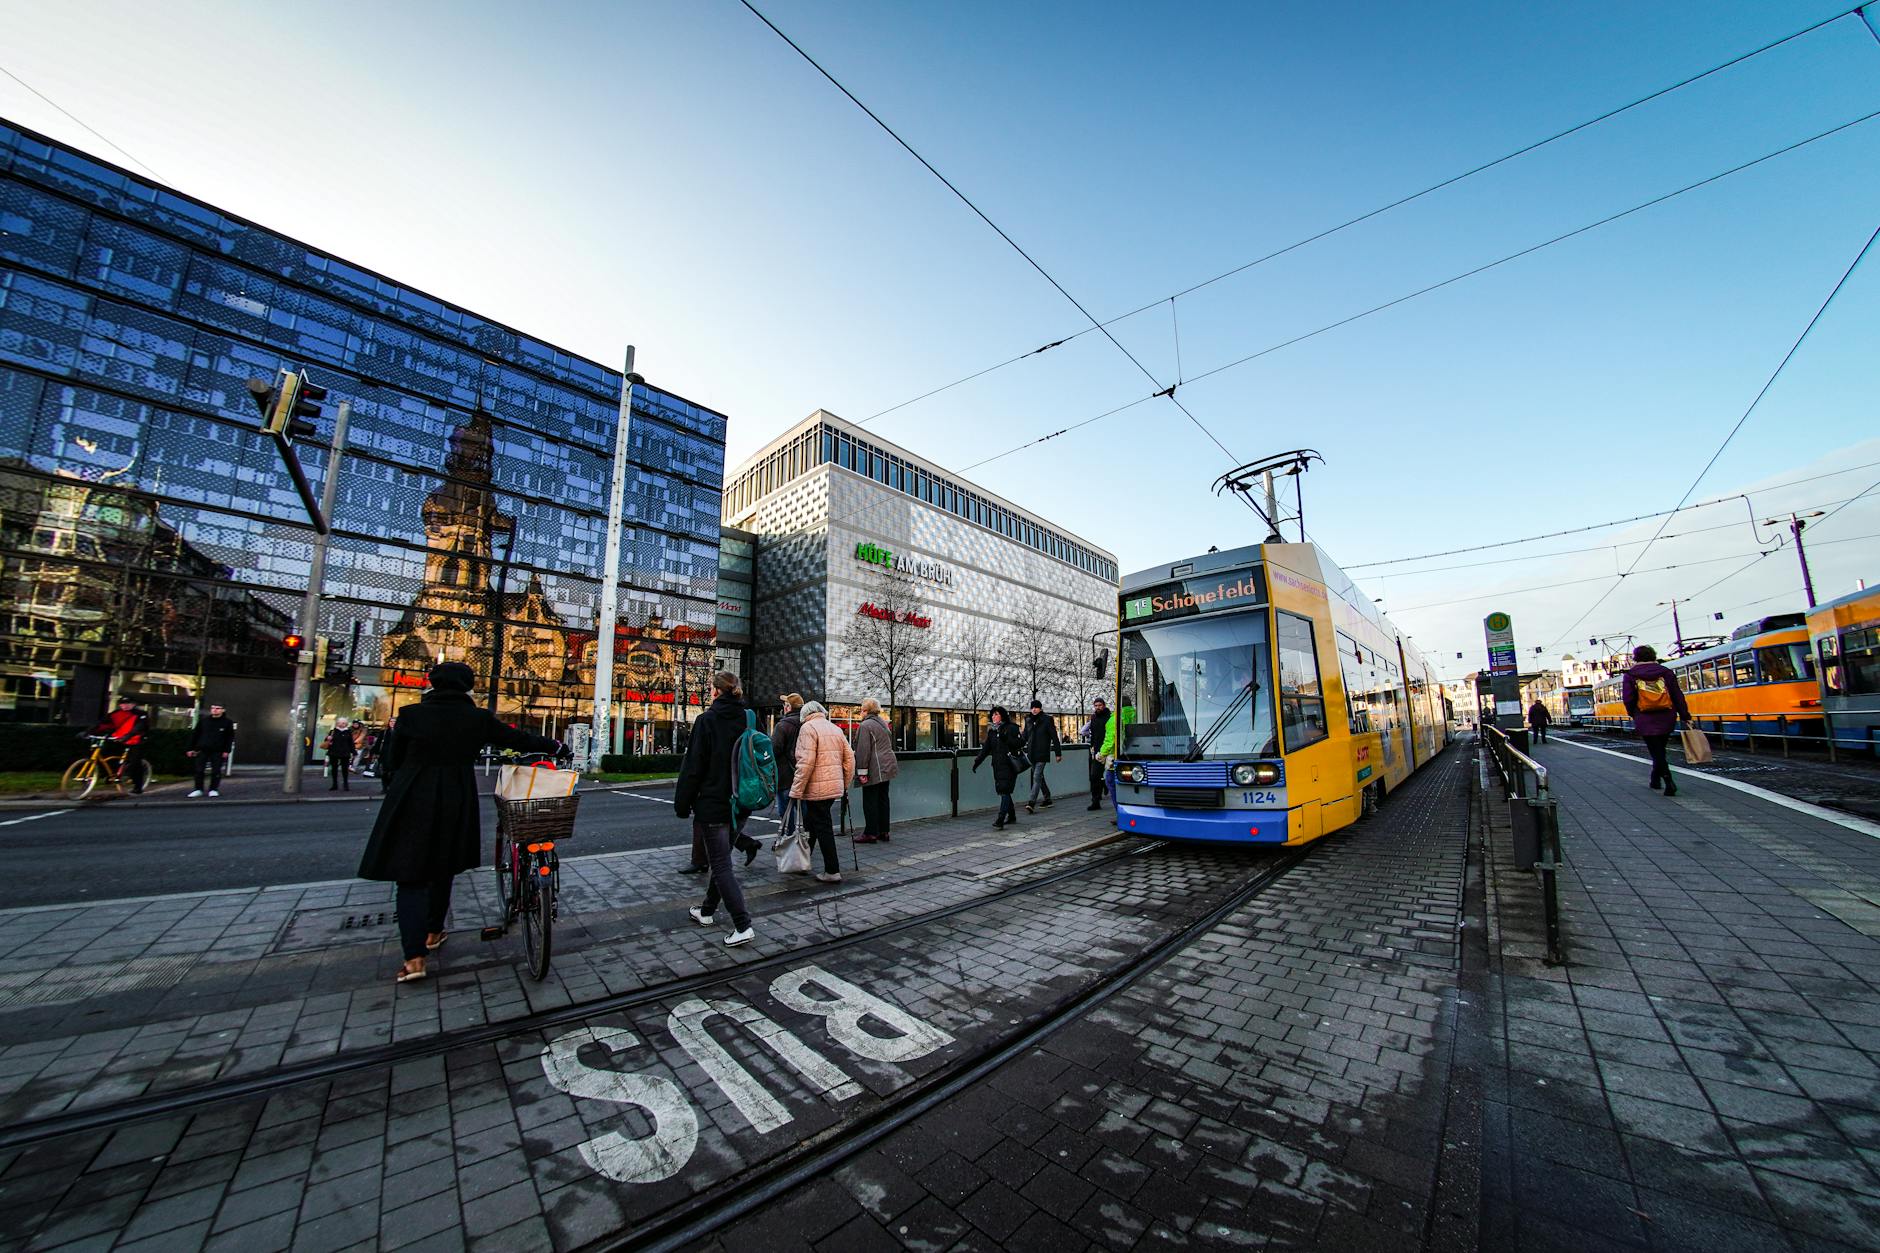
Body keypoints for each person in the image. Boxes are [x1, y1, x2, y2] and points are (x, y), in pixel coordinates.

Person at [358, 662, 560, 984]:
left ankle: (414, 958)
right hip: (455, 796)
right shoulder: (476, 718)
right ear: (467, 686)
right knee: (444, 866)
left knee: (410, 877)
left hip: (411, 796)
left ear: (432, 683)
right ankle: (434, 931)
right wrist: (554, 746)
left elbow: (392, 761)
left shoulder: (410, 715)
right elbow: (518, 739)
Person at [675, 671, 766, 943]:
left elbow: (693, 767)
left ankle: (742, 925)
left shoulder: (707, 720)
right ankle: (706, 911)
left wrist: (682, 803)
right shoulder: (750, 718)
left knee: (721, 865)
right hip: (742, 801)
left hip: (713, 803)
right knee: (721, 858)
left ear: (715, 691)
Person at [790, 701, 854, 883]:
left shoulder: (808, 728)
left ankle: (832, 870)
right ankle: (802, 862)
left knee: (822, 827)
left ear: (805, 714)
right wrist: (844, 783)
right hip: (832, 786)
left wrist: (796, 790)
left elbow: (805, 762)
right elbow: (850, 759)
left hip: (816, 788)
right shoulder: (834, 729)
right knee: (812, 823)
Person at [1622, 645, 1690, 798]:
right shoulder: (1666, 672)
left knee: (1656, 751)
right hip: (1666, 716)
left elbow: (1628, 699)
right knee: (1660, 749)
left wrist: (1633, 714)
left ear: (1636, 658)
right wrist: (1685, 715)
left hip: (1644, 717)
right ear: (1653, 655)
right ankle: (1655, 778)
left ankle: (1668, 781)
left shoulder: (1630, 675)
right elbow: (1677, 695)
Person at [852, 697, 899, 844]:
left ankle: (870, 833)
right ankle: (884, 831)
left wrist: (862, 772)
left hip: (875, 767)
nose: (860, 713)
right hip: (887, 766)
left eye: (861, 710)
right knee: (883, 799)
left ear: (866, 710)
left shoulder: (865, 726)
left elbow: (863, 750)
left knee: (870, 800)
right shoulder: (883, 723)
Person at [972, 705, 1025, 830]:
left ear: (1002, 716)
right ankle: (1012, 816)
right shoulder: (992, 732)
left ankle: (1000, 819)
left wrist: (1006, 739)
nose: (994, 717)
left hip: (1009, 764)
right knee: (1003, 791)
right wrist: (977, 762)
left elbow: (1020, 743)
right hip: (997, 765)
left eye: (996, 714)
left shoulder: (1011, 728)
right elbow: (986, 749)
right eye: (992, 715)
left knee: (1004, 790)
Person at [92, 696, 149, 794]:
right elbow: (102, 723)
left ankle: (138, 786)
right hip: (119, 739)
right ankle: (110, 775)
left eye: (128, 704)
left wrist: (128, 736)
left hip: (136, 740)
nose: (125, 706)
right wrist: (88, 731)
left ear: (133, 704)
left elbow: (139, 727)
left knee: (134, 762)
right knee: (106, 754)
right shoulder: (116, 714)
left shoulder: (141, 714)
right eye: (123, 704)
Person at [772, 693, 805, 843]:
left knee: (785, 809)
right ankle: (805, 836)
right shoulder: (807, 724)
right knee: (803, 808)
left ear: (788, 708)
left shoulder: (782, 726)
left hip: (785, 775)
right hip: (802, 773)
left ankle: (790, 837)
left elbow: (774, 750)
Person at [185, 702, 235, 797]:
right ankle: (198, 789)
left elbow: (229, 737)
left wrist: (226, 750)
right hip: (202, 749)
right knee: (199, 770)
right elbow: (195, 735)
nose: (214, 710)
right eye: (213, 708)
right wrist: (190, 748)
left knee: (216, 771)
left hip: (218, 750)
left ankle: (213, 789)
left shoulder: (227, 723)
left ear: (223, 710)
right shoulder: (204, 721)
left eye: (217, 708)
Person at [1021, 699, 1062, 814]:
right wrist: (1015, 744)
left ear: (1040, 708)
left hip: (1042, 753)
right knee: (1039, 777)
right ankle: (1047, 798)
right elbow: (1025, 736)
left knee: (1036, 777)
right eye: (1032, 707)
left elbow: (1054, 737)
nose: (1034, 709)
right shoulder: (1028, 720)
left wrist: (1058, 753)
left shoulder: (1047, 719)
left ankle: (1031, 803)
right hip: (1031, 754)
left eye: (1036, 707)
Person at [1085, 697, 1112, 811]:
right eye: (1096, 706)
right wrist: (1092, 747)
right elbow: (1093, 734)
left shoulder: (1110, 717)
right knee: (1094, 776)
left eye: (1100, 705)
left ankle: (1106, 786)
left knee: (1110, 776)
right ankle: (1095, 801)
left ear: (1104, 705)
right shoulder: (1093, 718)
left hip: (1109, 751)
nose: (1098, 707)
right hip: (1096, 751)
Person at [325, 717, 357, 791]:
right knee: (334, 769)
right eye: (340, 723)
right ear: (337, 723)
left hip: (345, 752)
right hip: (334, 752)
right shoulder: (333, 731)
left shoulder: (348, 732)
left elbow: (351, 742)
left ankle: (345, 784)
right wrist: (328, 738)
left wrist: (353, 752)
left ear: (346, 724)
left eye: (343, 723)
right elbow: (327, 740)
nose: (341, 724)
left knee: (345, 769)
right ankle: (334, 784)